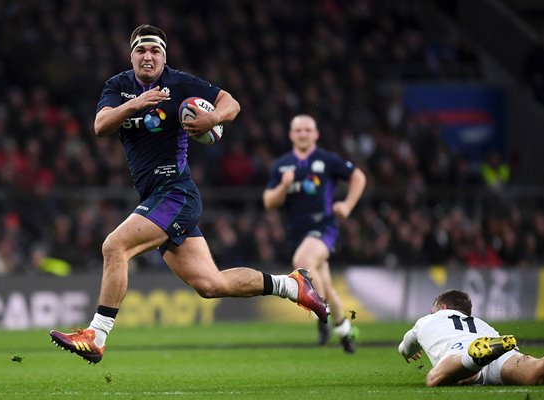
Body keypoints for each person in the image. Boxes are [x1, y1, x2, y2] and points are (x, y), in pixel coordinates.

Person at [49, 24, 328, 364]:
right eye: (141, 50)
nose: (148, 56)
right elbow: (100, 125)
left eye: (155, 51)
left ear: (164, 57)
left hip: (175, 192)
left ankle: (97, 334)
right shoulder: (119, 86)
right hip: (155, 195)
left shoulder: (180, 83)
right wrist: (136, 104)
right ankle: (292, 286)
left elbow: (231, 103)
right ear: (132, 55)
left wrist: (213, 119)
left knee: (114, 246)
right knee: (211, 285)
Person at [262, 114, 366, 352]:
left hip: (324, 227)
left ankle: (322, 311)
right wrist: (283, 186)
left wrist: (348, 205)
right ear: (291, 134)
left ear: (316, 134)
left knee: (303, 262)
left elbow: (358, 177)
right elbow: (269, 202)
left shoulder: (327, 160)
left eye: (308, 130)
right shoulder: (282, 165)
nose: (303, 134)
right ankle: (345, 330)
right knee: (325, 284)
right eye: (298, 130)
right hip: (297, 233)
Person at [398, 289, 544, 386]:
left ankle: (472, 359)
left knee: (434, 379)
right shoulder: (481, 323)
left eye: (433, 310)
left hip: (463, 349)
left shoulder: (426, 320)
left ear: (442, 308)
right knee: (537, 374)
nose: (431, 313)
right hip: (498, 348)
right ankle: (475, 362)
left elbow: (405, 347)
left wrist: (407, 352)